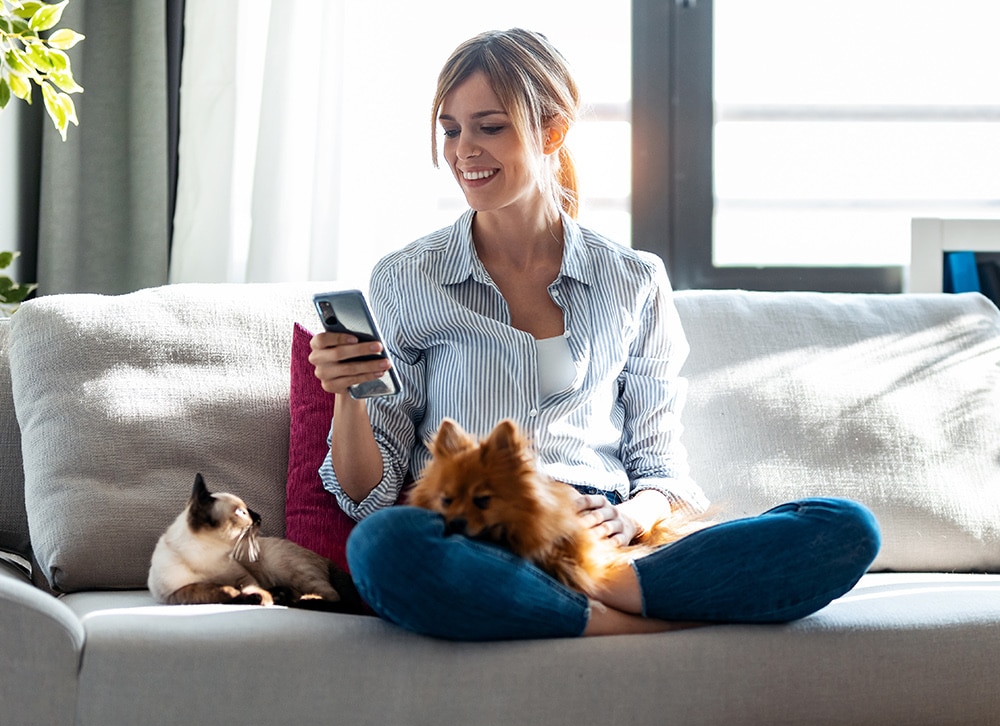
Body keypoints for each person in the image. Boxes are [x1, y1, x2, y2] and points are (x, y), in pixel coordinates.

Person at [309, 28, 879, 640]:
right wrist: (348, 392)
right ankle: (620, 619)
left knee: (842, 528)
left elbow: (663, 471)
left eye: (490, 127)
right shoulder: (407, 278)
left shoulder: (632, 280)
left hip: (599, 537)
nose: (462, 150)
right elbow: (370, 493)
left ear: (552, 132)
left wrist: (626, 519)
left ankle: (593, 590)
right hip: (469, 531)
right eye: (450, 129)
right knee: (382, 543)